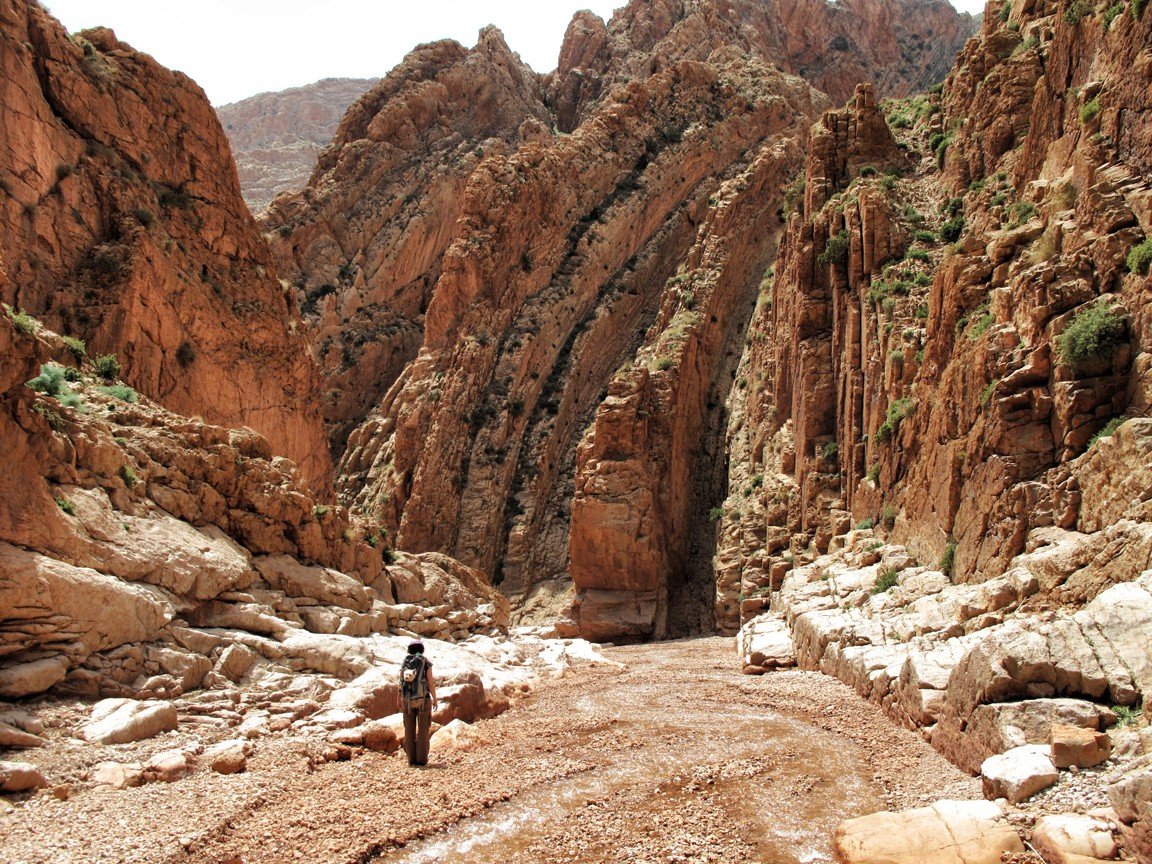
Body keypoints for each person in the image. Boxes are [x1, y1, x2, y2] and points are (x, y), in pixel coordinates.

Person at [399, 640, 437, 766]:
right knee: (423, 730)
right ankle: (421, 760)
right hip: (423, 700)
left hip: (407, 700)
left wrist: (398, 698)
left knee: (409, 729)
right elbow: (430, 682)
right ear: (422, 649)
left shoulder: (405, 662)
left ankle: (411, 759)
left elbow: (400, 682)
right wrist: (435, 698)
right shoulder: (425, 662)